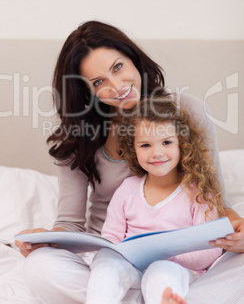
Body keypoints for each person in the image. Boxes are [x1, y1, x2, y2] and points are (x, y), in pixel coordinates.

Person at [15, 21, 244, 304]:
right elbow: (70, 224)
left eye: (118, 67)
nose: (117, 86)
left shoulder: (186, 111)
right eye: (98, 82)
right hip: (113, 257)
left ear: (133, 58)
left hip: (184, 261)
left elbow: (218, 201)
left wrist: (236, 231)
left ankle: (156, 294)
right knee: (39, 266)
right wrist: (49, 239)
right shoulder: (80, 138)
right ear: (87, 92)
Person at [86, 96, 224, 304]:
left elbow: (210, 251)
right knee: (105, 259)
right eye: (145, 145)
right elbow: (111, 238)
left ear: (182, 144)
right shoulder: (127, 190)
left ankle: (165, 299)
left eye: (167, 142)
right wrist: (119, 253)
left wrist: (164, 254)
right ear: (133, 148)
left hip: (177, 269)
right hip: (131, 267)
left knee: (160, 270)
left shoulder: (199, 193)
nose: (156, 153)